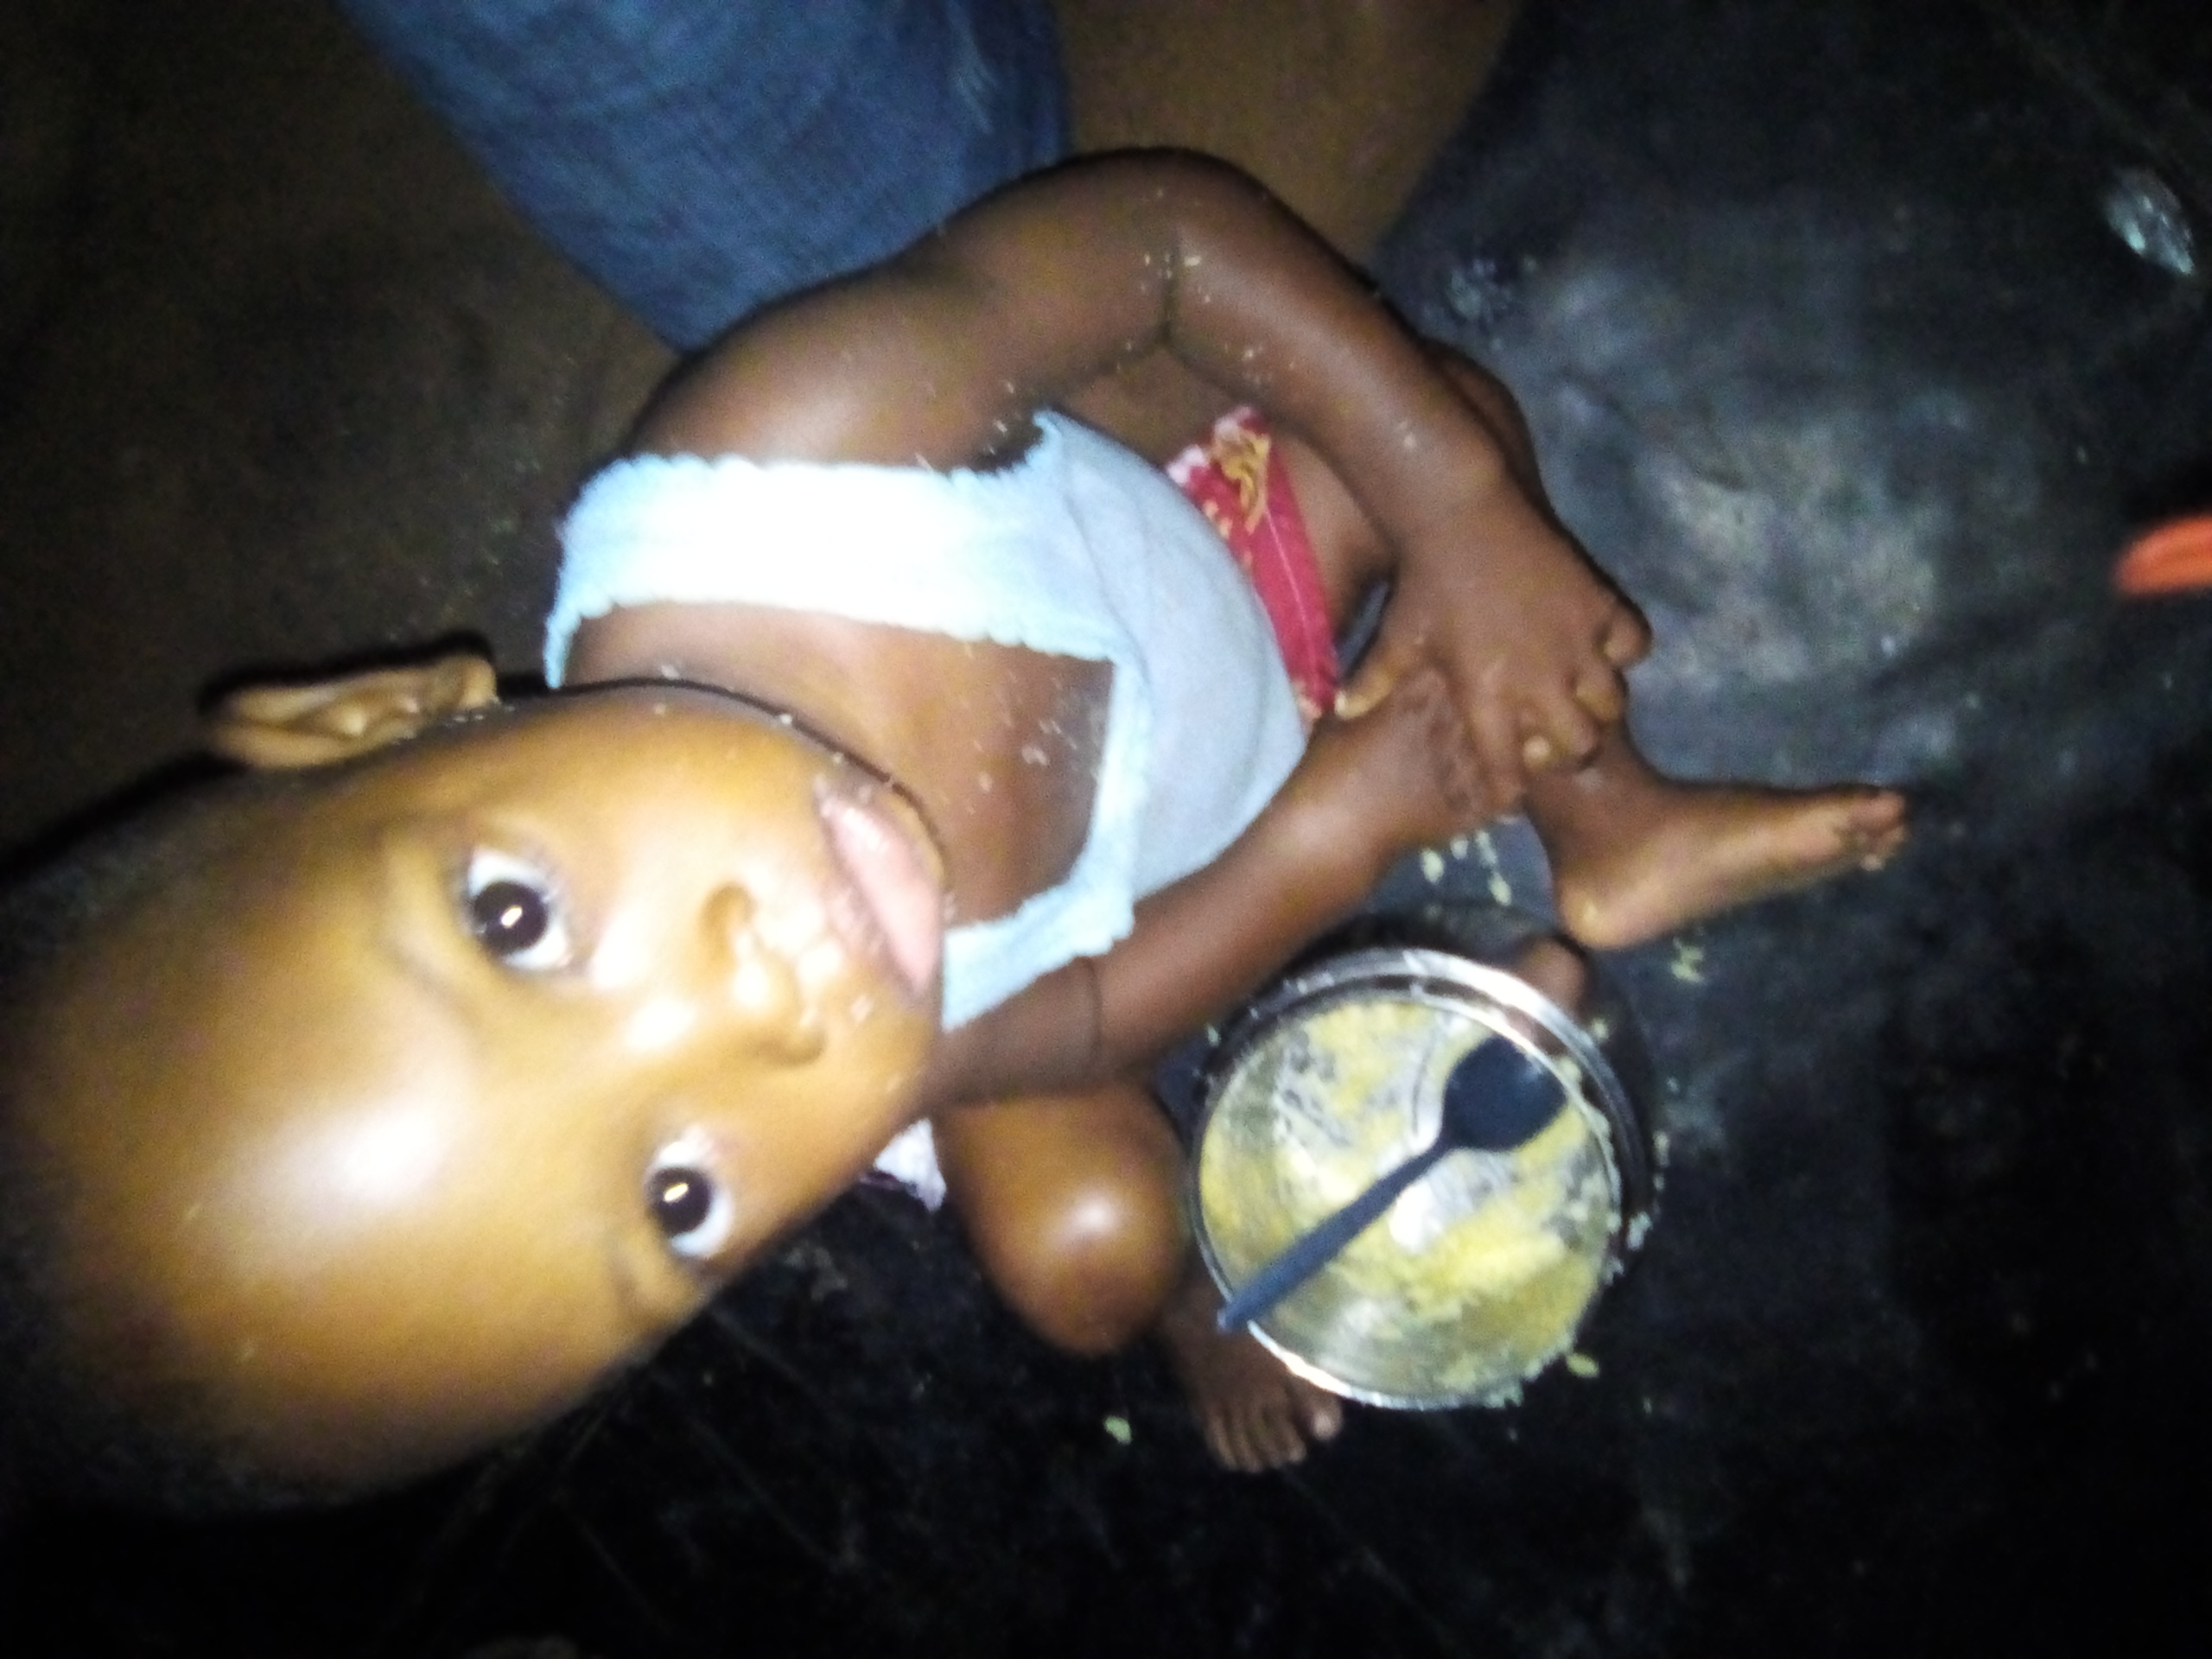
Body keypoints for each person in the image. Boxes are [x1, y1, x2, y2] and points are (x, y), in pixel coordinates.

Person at [0, 153, 1904, 1510]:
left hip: (1218, 570)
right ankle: (1196, 1310)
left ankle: (1611, 826)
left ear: (384, 720)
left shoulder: (792, 455)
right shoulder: (841, 1027)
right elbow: (1085, 1016)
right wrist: (1330, 839)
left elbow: (1164, 247)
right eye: (676, 1201)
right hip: (1163, 860)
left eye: (514, 921)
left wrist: (1462, 507)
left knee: (1439, 429)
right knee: (1085, 1255)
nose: (753, 1012)